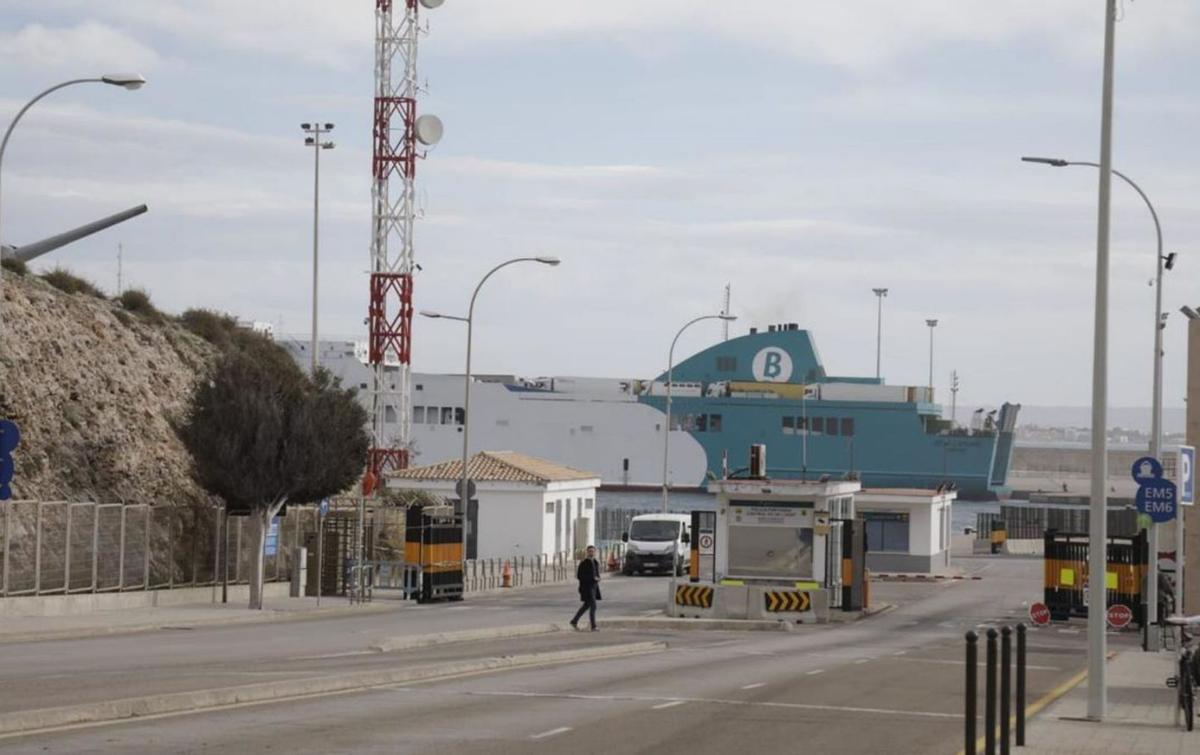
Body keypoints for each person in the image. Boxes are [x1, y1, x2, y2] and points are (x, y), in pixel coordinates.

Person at [570, 545, 601, 631]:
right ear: (587, 552)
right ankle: (593, 626)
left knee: (587, 605)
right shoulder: (584, 563)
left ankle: (574, 621)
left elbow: (597, 574)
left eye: (593, 551)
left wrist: (598, 578)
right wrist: (592, 578)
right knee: (593, 606)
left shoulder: (595, 562)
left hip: (594, 587)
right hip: (587, 587)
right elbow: (579, 576)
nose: (591, 553)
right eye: (590, 551)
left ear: (595, 552)